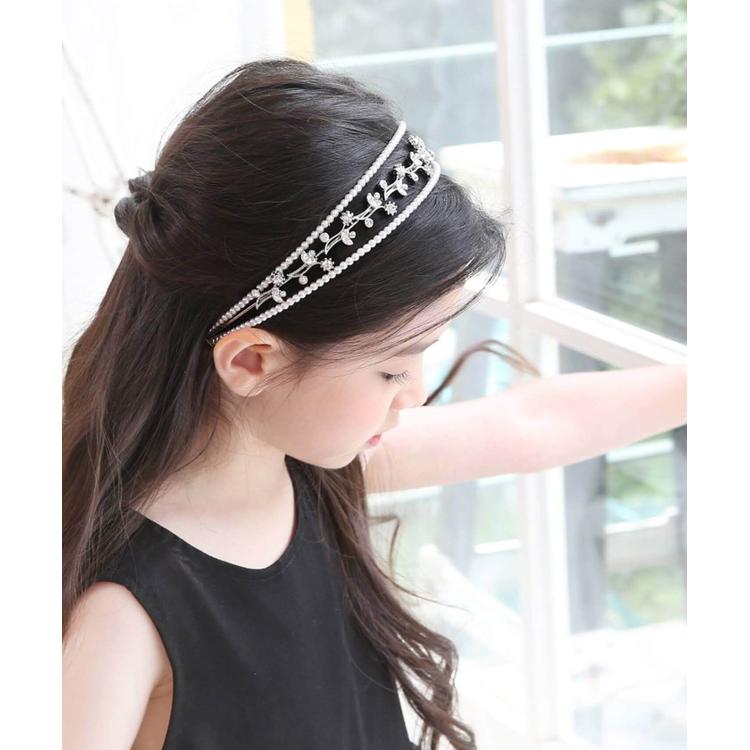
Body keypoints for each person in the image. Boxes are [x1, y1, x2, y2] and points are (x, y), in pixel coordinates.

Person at [61, 58, 687, 750]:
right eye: (392, 370)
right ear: (251, 362)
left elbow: (534, 422)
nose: (413, 394)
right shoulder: (120, 617)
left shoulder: (305, 470)